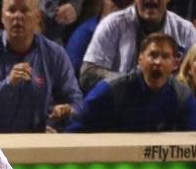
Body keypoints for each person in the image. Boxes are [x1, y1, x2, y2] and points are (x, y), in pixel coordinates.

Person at [0, 0, 82, 132]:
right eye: (11, 10)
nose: (17, 16)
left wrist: (66, 112)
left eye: (24, 11)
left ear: (37, 17)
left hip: (40, 142)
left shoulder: (55, 55)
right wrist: (8, 85)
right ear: (2, 17)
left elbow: (76, 102)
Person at [68, 33, 196, 131]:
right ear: (140, 58)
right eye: (153, 55)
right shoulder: (111, 89)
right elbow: (77, 126)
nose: (158, 62)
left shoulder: (182, 96)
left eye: (165, 57)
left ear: (175, 63)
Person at [80, 0, 196, 92]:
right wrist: (130, 82)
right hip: (119, 110)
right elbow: (88, 74)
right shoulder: (112, 25)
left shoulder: (186, 31)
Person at [65, 0, 133, 77]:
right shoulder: (84, 34)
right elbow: (67, 78)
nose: (122, 10)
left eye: (127, 4)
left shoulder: (132, 32)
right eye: (116, 2)